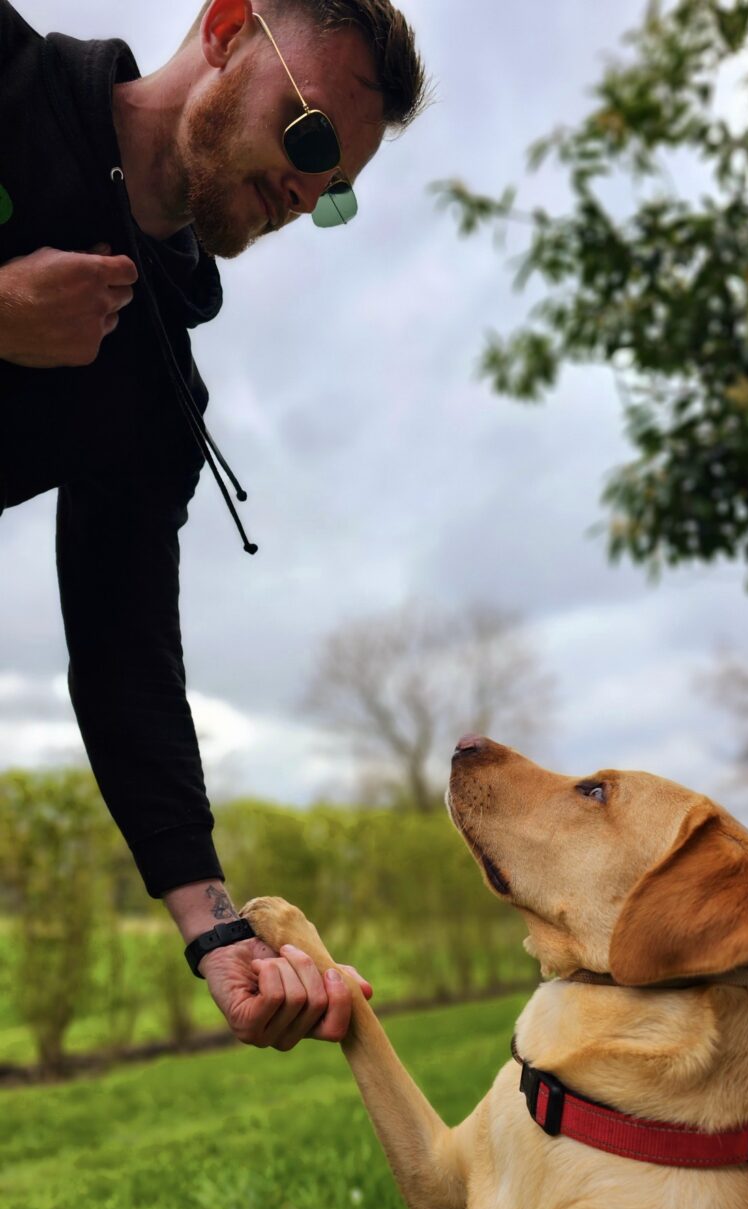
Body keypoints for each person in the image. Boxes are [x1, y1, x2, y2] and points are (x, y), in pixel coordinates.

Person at [0, 0, 426, 1048]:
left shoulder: (153, 394)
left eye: (336, 195)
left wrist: (217, 927)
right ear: (229, 27)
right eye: (311, 137)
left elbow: (125, 653)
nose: (306, 190)